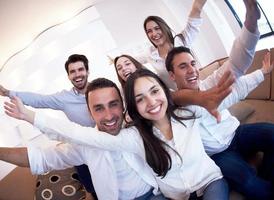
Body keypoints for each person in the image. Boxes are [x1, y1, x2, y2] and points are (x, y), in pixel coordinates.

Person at [1, 78, 167, 200]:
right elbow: (39, 158)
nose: (109, 115)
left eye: (113, 104)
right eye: (99, 108)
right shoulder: (83, 144)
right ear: (89, 112)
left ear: (122, 105)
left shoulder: (139, 128)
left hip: (155, 194)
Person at [165, 47, 274, 199]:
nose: (191, 70)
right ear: (172, 75)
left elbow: (237, 88)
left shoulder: (208, 84)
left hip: (237, 134)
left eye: (193, 64)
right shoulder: (170, 108)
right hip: (219, 154)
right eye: (183, 66)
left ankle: (266, 175)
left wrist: (262, 72)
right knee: (248, 181)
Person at [0, 54, 97, 199]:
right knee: (93, 189)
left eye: (80, 69)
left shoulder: (101, 89)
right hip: (81, 151)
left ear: (87, 71)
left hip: (104, 144)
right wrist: (9, 93)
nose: (77, 75)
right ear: (68, 76)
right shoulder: (64, 98)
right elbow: (39, 100)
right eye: (72, 71)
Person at [114, 54, 233, 122]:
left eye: (127, 64)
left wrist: (201, 98)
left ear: (135, 65)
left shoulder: (153, 80)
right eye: (119, 68)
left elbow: (173, 96)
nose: (124, 68)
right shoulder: (123, 96)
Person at [143, 0, 207, 90]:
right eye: (149, 31)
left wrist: (198, 4)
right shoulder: (150, 55)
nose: (154, 34)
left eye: (157, 28)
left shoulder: (181, 40)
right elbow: (135, 63)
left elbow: (195, 16)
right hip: (176, 100)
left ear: (164, 28)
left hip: (197, 91)